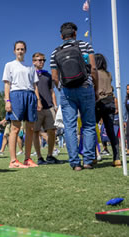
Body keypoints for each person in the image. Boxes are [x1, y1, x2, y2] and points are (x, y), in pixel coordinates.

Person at [50, 22, 98, 171]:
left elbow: (55, 77)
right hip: (85, 87)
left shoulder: (55, 53)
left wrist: (62, 89)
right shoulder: (85, 46)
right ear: (75, 33)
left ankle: (75, 163)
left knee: (70, 127)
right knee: (88, 124)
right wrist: (94, 87)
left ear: (61, 36)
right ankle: (88, 161)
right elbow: (94, 68)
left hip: (67, 91)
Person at [2, 40, 42, 168]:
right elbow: (7, 84)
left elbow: (35, 85)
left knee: (30, 128)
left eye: (22, 49)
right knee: (15, 128)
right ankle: (13, 161)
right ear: (14, 51)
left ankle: (27, 159)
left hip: (30, 95)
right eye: (18, 49)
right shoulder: (9, 65)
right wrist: (7, 101)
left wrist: (38, 100)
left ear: (25, 50)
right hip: (16, 95)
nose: (20, 51)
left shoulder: (31, 67)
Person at [32, 52, 62, 165]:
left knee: (52, 131)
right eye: (39, 60)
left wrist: (55, 105)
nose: (42, 62)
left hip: (49, 107)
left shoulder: (48, 75)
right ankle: (39, 157)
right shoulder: (30, 74)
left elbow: (52, 91)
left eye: (43, 60)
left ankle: (50, 155)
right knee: (35, 131)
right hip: (36, 108)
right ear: (33, 61)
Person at [94, 53, 121, 167]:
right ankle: (117, 158)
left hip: (99, 102)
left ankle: (93, 157)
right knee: (110, 131)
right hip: (110, 102)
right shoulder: (108, 74)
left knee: (91, 129)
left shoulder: (94, 74)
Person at [124, 84, 129, 156]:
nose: (128, 91)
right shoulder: (127, 99)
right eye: (127, 89)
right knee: (128, 134)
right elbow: (125, 110)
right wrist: (124, 120)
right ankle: (128, 150)